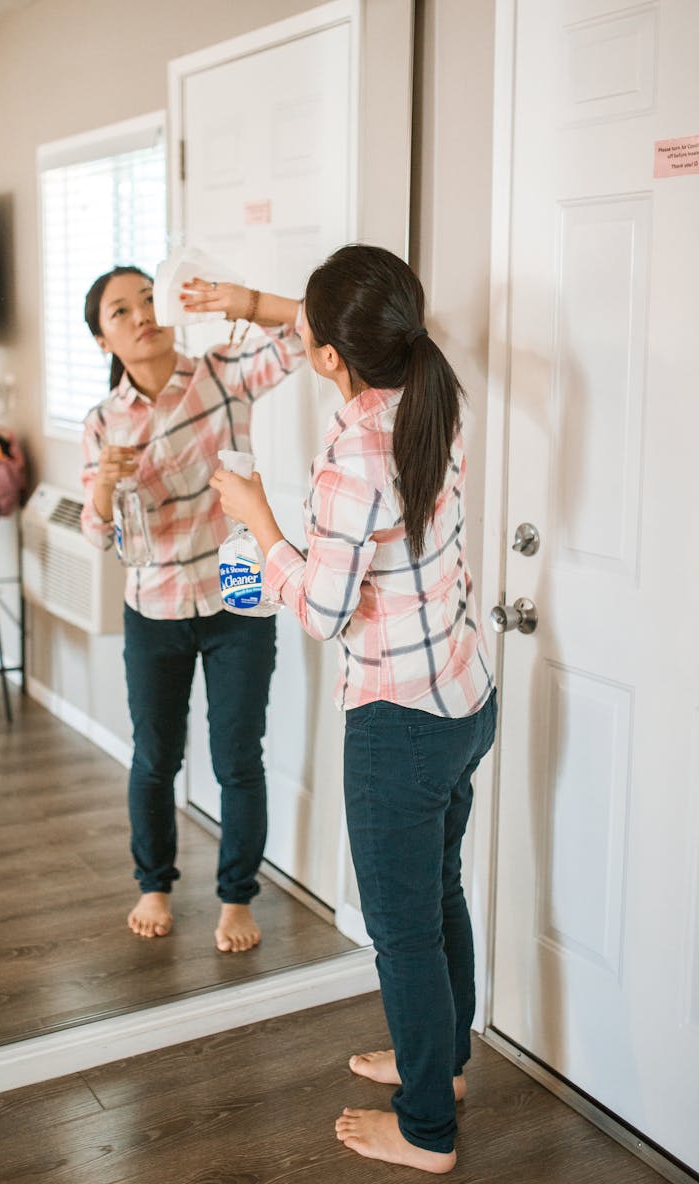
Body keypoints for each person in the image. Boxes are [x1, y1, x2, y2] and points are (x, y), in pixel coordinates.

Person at [209, 244, 496, 1172]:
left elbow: (325, 611)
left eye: (310, 335)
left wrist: (258, 519)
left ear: (332, 357)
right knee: (439, 891)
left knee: (402, 932)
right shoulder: (432, 385)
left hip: (398, 725)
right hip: (463, 695)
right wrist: (255, 300)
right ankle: (441, 1065)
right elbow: (336, 320)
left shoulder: (355, 454)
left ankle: (425, 1131)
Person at [80, 265, 303, 952]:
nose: (142, 314)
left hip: (237, 588)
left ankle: (237, 897)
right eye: (121, 311)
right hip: (154, 606)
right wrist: (104, 490)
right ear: (102, 339)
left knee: (238, 758)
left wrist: (249, 301)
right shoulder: (102, 424)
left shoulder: (222, 370)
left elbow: (313, 332)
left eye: (148, 298)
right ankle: (155, 883)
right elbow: (100, 535)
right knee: (155, 758)